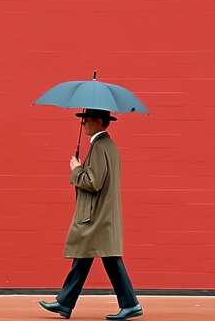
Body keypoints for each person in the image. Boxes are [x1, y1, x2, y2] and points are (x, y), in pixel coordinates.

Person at [38, 109, 143, 320]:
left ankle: (130, 304)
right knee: (84, 257)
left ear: (99, 121)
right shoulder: (107, 146)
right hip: (101, 215)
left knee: (108, 259)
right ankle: (65, 303)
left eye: (86, 119)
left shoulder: (99, 147)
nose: (83, 123)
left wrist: (76, 169)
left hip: (97, 216)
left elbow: (93, 182)